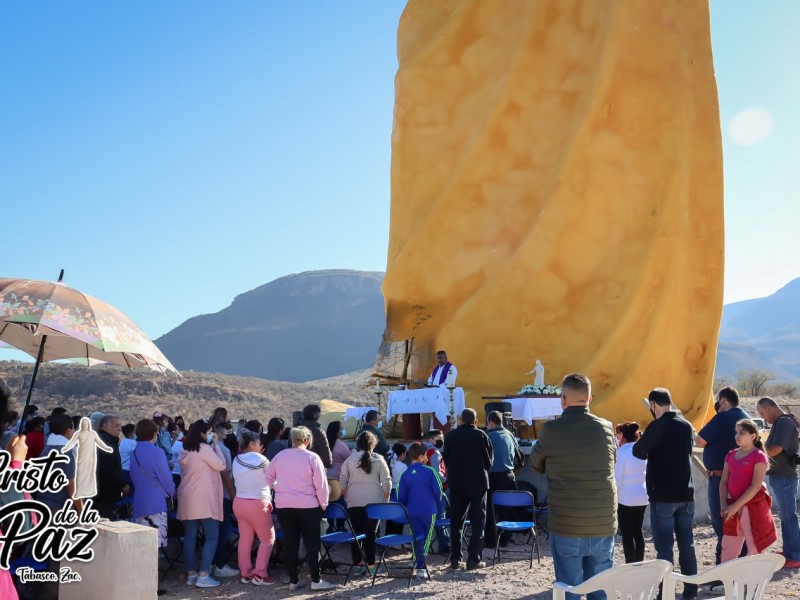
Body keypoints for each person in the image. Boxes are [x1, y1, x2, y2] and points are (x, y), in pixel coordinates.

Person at [531, 373, 616, 600]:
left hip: (567, 523)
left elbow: (535, 464)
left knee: (570, 590)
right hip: (602, 523)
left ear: (563, 399)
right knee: (600, 589)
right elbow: (611, 461)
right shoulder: (606, 428)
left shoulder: (551, 430)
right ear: (590, 399)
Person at [633, 388, 698, 600]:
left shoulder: (657, 426)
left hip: (663, 496)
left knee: (664, 549)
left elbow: (637, 451)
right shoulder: (686, 425)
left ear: (653, 404)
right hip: (686, 494)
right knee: (687, 544)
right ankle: (690, 591)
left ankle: (665, 593)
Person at [265, 426, 334, 591]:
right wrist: (323, 504)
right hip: (308, 507)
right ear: (307, 440)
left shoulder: (280, 456)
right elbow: (321, 485)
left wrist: (278, 488)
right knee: (312, 544)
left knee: (290, 543)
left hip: (284, 506)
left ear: (291, 440)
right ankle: (316, 580)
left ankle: (293, 581)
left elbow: (267, 478)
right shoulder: (312, 457)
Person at [695, 385, 750, 564]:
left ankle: (723, 569)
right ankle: (743, 565)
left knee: (723, 524)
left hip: (721, 479)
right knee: (743, 525)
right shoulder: (747, 418)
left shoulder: (722, 418)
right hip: (745, 479)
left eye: (718, 400)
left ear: (724, 400)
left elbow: (700, 441)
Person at [441, 407, 493, 570]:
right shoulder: (481, 435)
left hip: (457, 484)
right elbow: (489, 462)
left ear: (461, 420)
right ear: (476, 421)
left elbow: (446, 460)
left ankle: (455, 559)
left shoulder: (450, 436)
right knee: (478, 522)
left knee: (456, 521)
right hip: (478, 484)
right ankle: (473, 559)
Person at [177, 419, 226, 589]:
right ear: (202, 434)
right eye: (208, 432)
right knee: (211, 536)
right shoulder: (204, 449)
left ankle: (191, 574)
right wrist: (216, 445)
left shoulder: (184, 450)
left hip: (187, 497)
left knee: (190, 536)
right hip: (204, 498)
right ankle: (204, 575)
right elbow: (221, 465)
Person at [720, 419, 776, 561]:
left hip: (751, 507)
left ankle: (754, 582)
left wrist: (735, 506)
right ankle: (728, 580)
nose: (737, 436)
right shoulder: (731, 454)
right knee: (728, 545)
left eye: (742, 433)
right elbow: (724, 481)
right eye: (736, 433)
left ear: (753, 436)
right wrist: (724, 505)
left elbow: (755, 486)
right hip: (731, 506)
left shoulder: (758, 456)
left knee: (754, 547)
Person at [339, 431, 392, 576]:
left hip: (354, 501)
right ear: (374, 444)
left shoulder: (350, 459)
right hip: (374, 502)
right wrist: (385, 500)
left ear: (358, 444)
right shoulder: (379, 459)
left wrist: (347, 496)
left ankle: (358, 565)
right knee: (371, 534)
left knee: (356, 534)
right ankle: (371, 565)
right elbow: (387, 482)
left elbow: (342, 480)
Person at [756, 396, 800, 568]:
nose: (763, 417)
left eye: (762, 413)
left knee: (789, 516)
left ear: (769, 408)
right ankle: (790, 551)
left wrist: (755, 452)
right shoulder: (782, 422)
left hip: (784, 477)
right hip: (782, 476)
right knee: (786, 515)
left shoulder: (783, 423)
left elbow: (775, 450)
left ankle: (795, 554)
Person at [232, 429, 276, 586]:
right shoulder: (261, 459)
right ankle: (260, 574)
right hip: (257, 503)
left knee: (245, 540)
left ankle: (246, 574)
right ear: (252, 444)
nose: (261, 446)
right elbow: (273, 481)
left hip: (239, 502)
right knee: (267, 539)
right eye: (258, 443)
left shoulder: (236, 459)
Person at [130, 419, 175, 558]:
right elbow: (166, 478)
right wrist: (172, 492)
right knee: (154, 544)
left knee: (143, 543)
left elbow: (133, 477)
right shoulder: (158, 452)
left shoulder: (134, 453)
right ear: (155, 433)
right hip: (156, 501)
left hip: (139, 500)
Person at [398, 442, 443, 579]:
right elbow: (438, 492)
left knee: (416, 537)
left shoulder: (404, 474)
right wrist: (434, 503)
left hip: (412, 511)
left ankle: (417, 561)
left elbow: (401, 497)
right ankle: (421, 566)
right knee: (426, 538)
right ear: (422, 456)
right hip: (429, 510)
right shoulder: (431, 471)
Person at [484, 410, 519, 549]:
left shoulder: (488, 436)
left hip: (493, 476)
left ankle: (491, 540)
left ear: (491, 422)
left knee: (490, 510)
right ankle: (506, 538)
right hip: (509, 475)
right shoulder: (510, 435)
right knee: (507, 508)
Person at [614, 422, 648, 563]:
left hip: (625, 498)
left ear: (621, 436)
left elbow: (617, 478)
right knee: (638, 531)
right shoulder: (642, 450)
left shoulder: (621, 453)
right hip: (642, 496)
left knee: (627, 534)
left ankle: (630, 564)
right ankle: (639, 562)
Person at [210, 421, 239, 578]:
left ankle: (212, 563)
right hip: (224, 496)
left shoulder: (209, 448)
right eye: (229, 432)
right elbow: (226, 474)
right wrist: (233, 494)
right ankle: (221, 564)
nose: (231, 435)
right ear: (221, 434)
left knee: (214, 531)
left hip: (212, 494)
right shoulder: (224, 450)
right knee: (222, 531)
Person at [36, 413, 80, 512]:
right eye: (73, 430)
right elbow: (72, 484)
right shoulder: (68, 451)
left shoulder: (47, 448)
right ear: (68, 431)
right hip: (59, 507)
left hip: (42, 502)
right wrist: (82, 511)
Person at [63, 416, 113, 499]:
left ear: (88, 425)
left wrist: (106, 448)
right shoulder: (78, 433)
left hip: (91, 456)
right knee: (80, 473)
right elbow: (72, 442)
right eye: (84, 424)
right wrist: (66, 448)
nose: (85, 425)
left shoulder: (93, 434)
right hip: (82, 456)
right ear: (81, 425)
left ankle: (90, 491)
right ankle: (79, 492)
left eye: (86, 424)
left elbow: (99, 442)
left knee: (90, 474)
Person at [93, 414, 127, 519]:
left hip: (99, 494)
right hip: (103, 496)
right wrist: (122, 485)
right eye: (116, 426)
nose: (120, 429)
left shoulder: (107, 440)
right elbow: (108, 469)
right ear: (106, 427)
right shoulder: (105, 443)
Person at [423, 429, 449, 554]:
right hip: (437, 487)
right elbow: (436, 472)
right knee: (440, 517)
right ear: (431, 440)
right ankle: (445, 545)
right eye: (439, 438)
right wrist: (446, 479)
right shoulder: (433, 452)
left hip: (426, 488)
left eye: (442, 438)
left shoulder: (424, 450)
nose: (441, 441)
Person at [385, 443, 408, 536]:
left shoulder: (388, 463)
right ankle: (398, 538)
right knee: (400, 515)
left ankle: (388, 536)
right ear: (402, 454)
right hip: (399, 492)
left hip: (390, 492)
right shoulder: (403, 466)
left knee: (390, 517)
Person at [119, 423, 137, 491]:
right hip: (130, 471)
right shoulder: (132, 443)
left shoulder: (122, 442)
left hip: (123, 470)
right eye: (134, 432)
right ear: (130, 434)